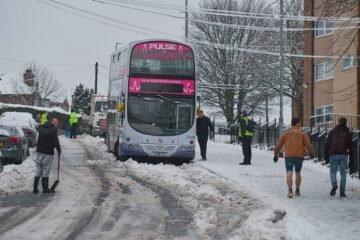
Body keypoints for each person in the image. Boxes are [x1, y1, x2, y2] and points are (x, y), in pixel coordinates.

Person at [274, 117, 314, 198]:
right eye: (300, 123)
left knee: (289, 172)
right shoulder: (302, 134)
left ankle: (290, 190)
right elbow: (308, 146)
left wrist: (276, 154)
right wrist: (311, 153)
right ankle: (298, 190)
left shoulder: (286, 133)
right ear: (297, 123)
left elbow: (278, 145)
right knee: (298, 172)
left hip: (289, 156)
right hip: (299, 156)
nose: (300, 124)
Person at [324, 117, 353, 198]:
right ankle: (342, 192)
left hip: (333, 154)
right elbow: (351, 146)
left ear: (338, 122)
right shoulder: (347, 132)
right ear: (345, 123)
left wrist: (326, 156)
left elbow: (327, 144)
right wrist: (351, 157)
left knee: (333, 171)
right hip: (343, 155)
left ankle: (334, 184)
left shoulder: (332, 132)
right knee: (343, 173)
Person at [34, 118, 61, 194]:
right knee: (46, 169)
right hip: (48, 152)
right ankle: (45, 189)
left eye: (57, 122)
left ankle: (35, 188)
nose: (56, 124)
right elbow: (55, 141)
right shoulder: (53, 130)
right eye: (56, 122)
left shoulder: (41, 127)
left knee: (39, 168)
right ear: (52, 122)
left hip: (39, 151)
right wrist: (59, 150)